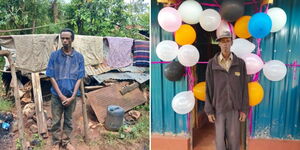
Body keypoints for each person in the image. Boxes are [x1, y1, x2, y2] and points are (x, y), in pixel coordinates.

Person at [204, 31, 249, 150]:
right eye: (222, 41)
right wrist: (209, 110)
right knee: (220, 142)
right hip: (218, 108)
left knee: (234, 141)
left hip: (234, 109)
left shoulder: (240, 64)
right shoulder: (212, 64)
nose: (225, 44)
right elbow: (208, 88)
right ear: (218, 44)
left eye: (227, 41)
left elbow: (244, 87)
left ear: (231, 42)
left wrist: (244, 109)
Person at [46, 28, 85, 150]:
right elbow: (51, 76)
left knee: (68, 120)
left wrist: (73, 96)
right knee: (56, 120)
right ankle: (56, 142)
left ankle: (66, 141)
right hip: (57, 96)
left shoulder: (79, 57)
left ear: (72, 40)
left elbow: (80, 78)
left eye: (67, 38)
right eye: (63, 38)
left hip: (72, 96)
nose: (65, 40)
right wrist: (61, 95)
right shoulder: (54, 56)